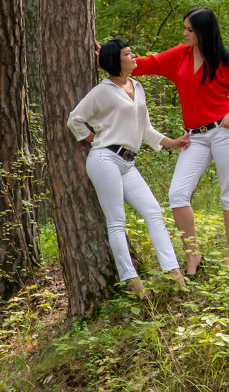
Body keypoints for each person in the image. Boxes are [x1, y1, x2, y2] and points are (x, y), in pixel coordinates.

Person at [67, 38, 190, 298]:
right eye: (128, 53)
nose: (134, 56)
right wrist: (97, 140)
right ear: (116, 60)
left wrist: (173, 142)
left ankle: (174, 274)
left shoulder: (137, 86)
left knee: (154, 212)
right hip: (104, 160)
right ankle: (133, 282)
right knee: (117, 222)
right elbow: (75, 120)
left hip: (128, 163)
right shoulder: (102, 91)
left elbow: (145, 129)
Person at [133, 7, 229, 275]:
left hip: (225, 131)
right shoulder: (180, 55)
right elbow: (146, 64)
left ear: (203, 32)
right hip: (194, 136)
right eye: (184, 28)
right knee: (177, 194)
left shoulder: (226, 61)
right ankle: (193, 256)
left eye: (189, 30)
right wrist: (110, 56)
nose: (184, 33)